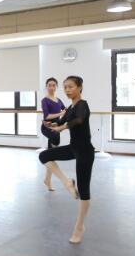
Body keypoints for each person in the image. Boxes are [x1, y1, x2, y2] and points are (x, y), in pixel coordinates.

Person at [39, 76, 95, 244]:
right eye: (65, 87)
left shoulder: (82, 105)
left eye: (71, 86)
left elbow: (79, 120)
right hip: (73, 147)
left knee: (84, 192)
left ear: (80, 87)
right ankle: (67, 182)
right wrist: (51, 125)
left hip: (85, 151)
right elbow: (60, 122)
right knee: (44, 155)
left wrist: (62, 127)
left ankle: (79, 227)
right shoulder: (69, 108)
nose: (67, 90)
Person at [40, 78, 66, 191]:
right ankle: (47, 180)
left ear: (56, 87)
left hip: (56, 128)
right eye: (49, 85)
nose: (51, 87)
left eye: (54, 85)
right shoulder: (44, 100)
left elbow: (66, 110)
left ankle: (47, 180)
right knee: (52, 153)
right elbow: (47, 116)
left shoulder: (59, 100)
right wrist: (61, 113)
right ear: (46, 86)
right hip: (47, 128)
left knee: (51, 156)